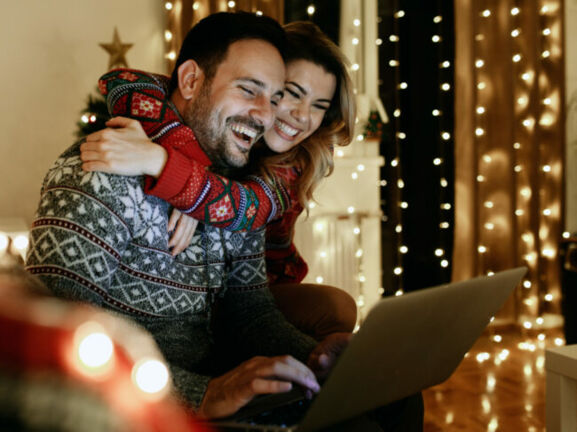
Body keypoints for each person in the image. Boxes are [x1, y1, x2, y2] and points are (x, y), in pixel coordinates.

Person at [26, 12, 340, 419]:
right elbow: (57, 343)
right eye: (249, 90)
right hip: (134, 410)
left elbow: (249, 312)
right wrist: (203, 394)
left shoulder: (233, 185)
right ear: (191, 81)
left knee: (377, 402)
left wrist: (320, 363)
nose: (266, 115)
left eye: (274, 97)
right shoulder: (101, 171)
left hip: (214, 385)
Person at [82, 21, 358, 341]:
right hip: (195, 291)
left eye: (319, 107)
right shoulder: (218, 124)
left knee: (339, 310)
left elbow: (245, 209)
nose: (302, 116)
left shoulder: (294, 164)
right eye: (291, 94)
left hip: (261, 291)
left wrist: (164, 165)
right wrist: (189, 158)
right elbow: (123, 82)